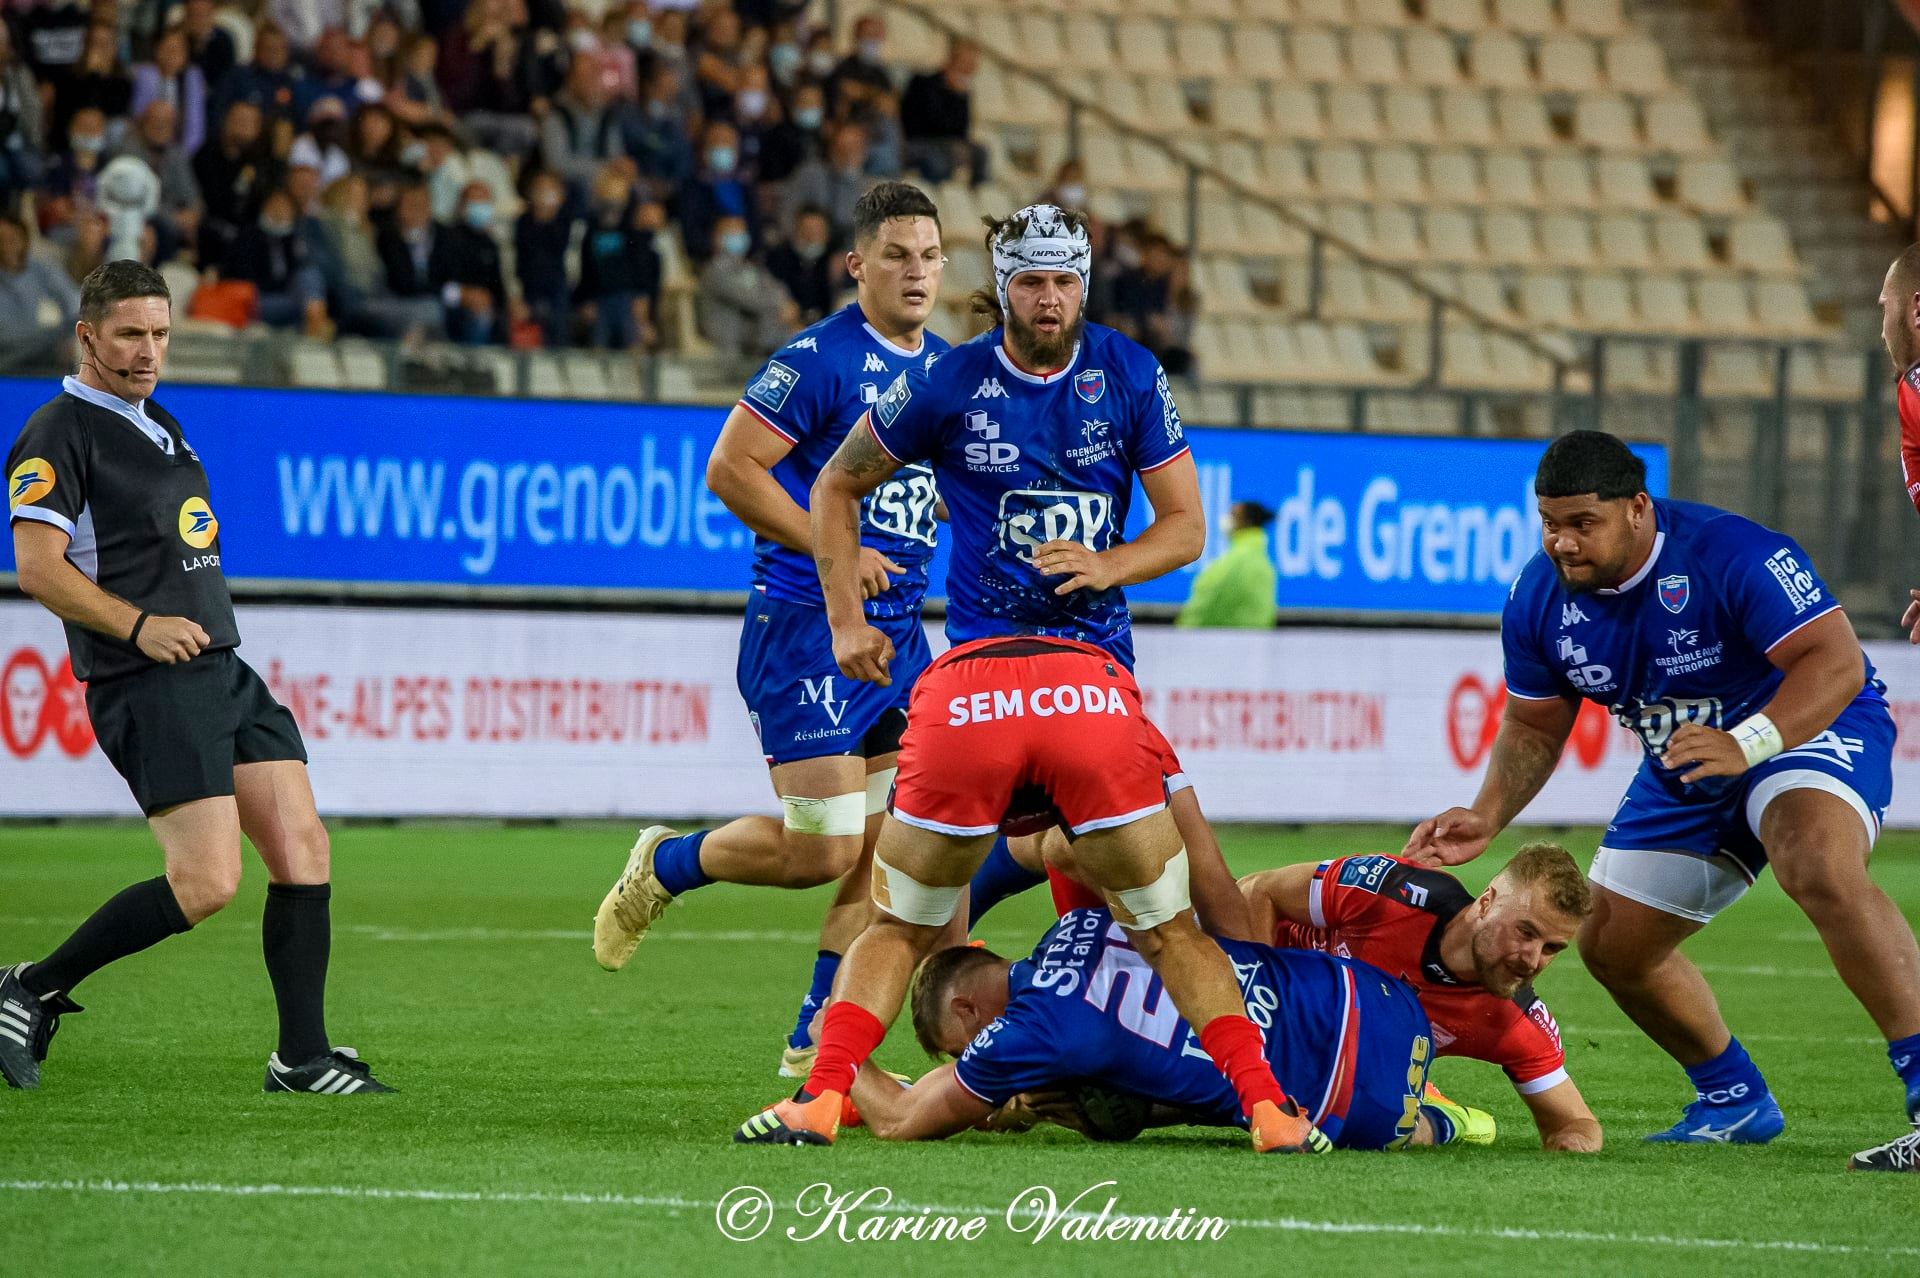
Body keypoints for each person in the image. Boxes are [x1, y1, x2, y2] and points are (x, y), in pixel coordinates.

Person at [732, 204, 1323, 1154]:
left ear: (1085, 283)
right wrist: (844, 618)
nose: (1050, 300)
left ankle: (829, 1091)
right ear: (1002, 287)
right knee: (1167, 919)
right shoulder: (953, 379)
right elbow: (834, 484)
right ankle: (1262, 1101)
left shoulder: (1126, 372)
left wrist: (1107, 564)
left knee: (910, 917)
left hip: (1030, 689)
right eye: (1032, 282)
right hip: (1056, 690)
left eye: (1065, 282)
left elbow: (1184, 528)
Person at [1404, 429, 1920, 1173]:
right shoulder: (1537, 597)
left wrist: (1749, 741)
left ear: (1638, 509)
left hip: (1806, 723)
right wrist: (1487, 813)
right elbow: (1534, 724)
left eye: (1583, 523)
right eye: (1550, 523)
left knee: (1817, 861)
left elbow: (1834, 661)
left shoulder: (1732, 553)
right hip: (1688, 759)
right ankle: (1732, 1099)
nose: (1562, 543)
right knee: (1612, 944)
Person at [0, 259, 391, 1095]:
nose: (148, 351)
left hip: (218, 666)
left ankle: (301, 1059)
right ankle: (30, 988)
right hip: (147, 678)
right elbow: (37, 568)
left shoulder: (158, 422)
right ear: (87, 336)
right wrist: (139, 625)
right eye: (129, 335)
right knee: (207, 882)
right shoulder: (58, 430)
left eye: (161, 334)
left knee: (303, 848)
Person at [591, 182, 954, 1081]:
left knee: (890, 851)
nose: (916, 272)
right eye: (897, 256)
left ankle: (815, 1034)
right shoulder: (818, 359)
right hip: (804, 627)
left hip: (901, 639)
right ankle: (668, 862)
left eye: (929, 256)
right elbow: (732, 469)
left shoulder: (947, 368)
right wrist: (842, 549)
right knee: (821, 850)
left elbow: (933, 482)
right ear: (857, 265)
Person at [834, 910, 1484, 1151]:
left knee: (1390, 1124)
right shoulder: (1080, 921)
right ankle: (1434, 1102)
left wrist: (832, 1040)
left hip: (1356, 1107)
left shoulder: (1027, 1033)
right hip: (1376, 995)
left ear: (968, 1011)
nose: (973, 1058)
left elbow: (899, 1118)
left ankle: (1441, 1122)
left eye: (961, 1048)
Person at [1241, 843, 1604, 1151]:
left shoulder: (1514, 1021)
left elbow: (1576, 1123)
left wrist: (1574, 1144)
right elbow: (1257, 891)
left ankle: (1440, 1118)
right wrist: (1250, 1009)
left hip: (1324, 1073)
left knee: (1376, 1126)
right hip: (1257, 1007)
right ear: (1486, 903)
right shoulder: (1390, 890)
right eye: (1525, 932)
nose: (1532, 960)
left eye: (1551, 948)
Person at [694, 213, 792, 358]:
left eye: (742, 233)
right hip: (728, 346)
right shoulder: (716, 270)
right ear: (717, 238)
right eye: (733, 233)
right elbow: (750, 299)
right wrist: (781, 305)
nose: (740, 237)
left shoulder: (749, 266)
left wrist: (786, 304)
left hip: (754, 343)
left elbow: (777, 288)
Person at [1176, 500, 1277, 629]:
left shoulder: (1231, 563)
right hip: (1256, 639)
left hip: (1224, 638)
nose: (1227, 519)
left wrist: (1184, 631)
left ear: (1246, 522)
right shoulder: (1265, 565)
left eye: (1233, 515)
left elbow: (1203, 605)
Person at [0, 213, 81, 372]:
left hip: (49, 356)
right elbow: (7, 336)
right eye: (1, 241)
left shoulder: (44, 270)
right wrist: (53, 336)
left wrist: (68, 334)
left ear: (24, 240)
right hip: (6, 358)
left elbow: (77, 305)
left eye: (12, 239)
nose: (6, 246)